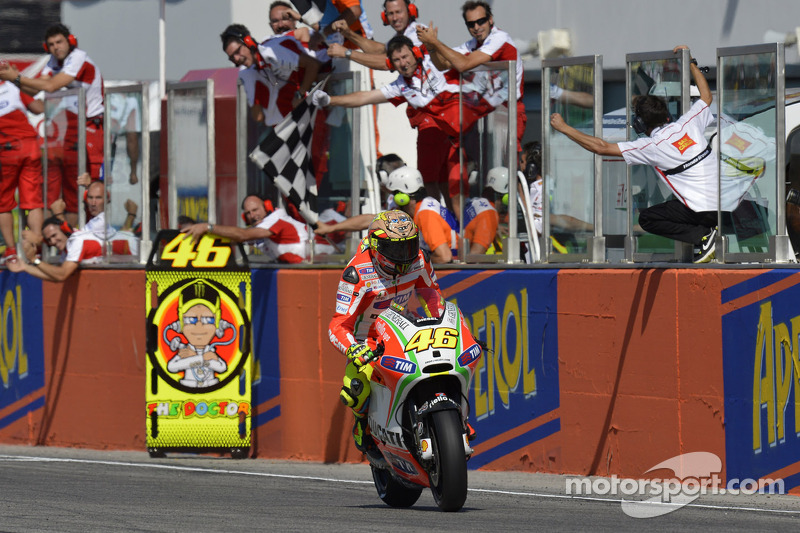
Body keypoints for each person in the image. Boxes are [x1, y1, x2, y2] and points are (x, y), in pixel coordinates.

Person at [550, 45, 720, 263]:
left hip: (702, 209)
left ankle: (703, 237)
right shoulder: (689, 122)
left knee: (648, 218)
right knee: (677, 198)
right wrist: (691, 62)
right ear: (667, 116)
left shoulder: (651, 145)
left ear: (639, 124)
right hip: (726, 201)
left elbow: (601, 147)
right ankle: (707, 232)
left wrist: (565, 128)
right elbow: (706, 97)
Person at [312, 35, 489, 213]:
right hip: (440, 135)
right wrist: (330, 100)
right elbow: (364, 97)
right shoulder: (400, 86)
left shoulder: (433, 59)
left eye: (405, 57)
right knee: (438, 185)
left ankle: (455, 230)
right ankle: (444, 227)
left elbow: (465, 57)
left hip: (460, 133)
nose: (403, 63)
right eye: (397, 60)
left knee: (453, 190)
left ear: (416, 53)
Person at [328, 209, 441, 453]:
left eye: (409, 246)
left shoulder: (420, 259)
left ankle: (455, 419)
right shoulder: (357, 272)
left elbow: (433, 297)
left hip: (405, 330)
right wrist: (353, 349)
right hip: (368, 340)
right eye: (396, 249)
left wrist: (441, 323)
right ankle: (362, 422)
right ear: (377, 246)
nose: (405, 255)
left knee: (441, 364)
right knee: (356, 390)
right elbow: (338, 324)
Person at [0, 24, 105, 225]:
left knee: (92, 186)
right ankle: (73, 237)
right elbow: (35, 91)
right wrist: (16, 81)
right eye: (51, 44)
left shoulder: (78, 57)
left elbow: (50, 86)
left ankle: (94, 235)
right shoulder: (53, 61)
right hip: (73, 130)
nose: (56, 47)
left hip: (93, 126)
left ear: (71, 41)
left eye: (60, 42)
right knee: (72, 190)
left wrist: (17, 77)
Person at [417, 1, 526, 149]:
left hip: (509, 110)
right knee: (481, 169)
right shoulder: (472, 44)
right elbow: (442, 64)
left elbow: (463, 65)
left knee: (508, 168)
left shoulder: (500, 38)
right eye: (471, 24)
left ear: (490, 20)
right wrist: (431, 48)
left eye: (481, 21)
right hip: (485, 114)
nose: (476, 27)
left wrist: (436, 43)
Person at [220, 23, 322, 127]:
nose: (236, 59)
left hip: (315, 112)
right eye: (232, 57)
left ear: (248, 42)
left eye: (238, 51)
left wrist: (300, 94)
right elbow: (258, 116)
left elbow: (313, 65)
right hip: (297, 119)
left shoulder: (272, 51)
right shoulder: (252, 70)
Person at [181, 195, 310, 263]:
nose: (253, 216)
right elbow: (233, 238)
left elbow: (243, 235)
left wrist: (207, 227)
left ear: (267, 207)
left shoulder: (276, 220)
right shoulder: (261, 228)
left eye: (255, 210)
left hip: (320, 261)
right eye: (248, 213)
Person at [0, 71, 46, 262]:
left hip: (7, 149)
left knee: (3, 202)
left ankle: (11, 251)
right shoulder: (13, 85)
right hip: (30, 146)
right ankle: (36, 247)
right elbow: (39, 108)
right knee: (33, 201)